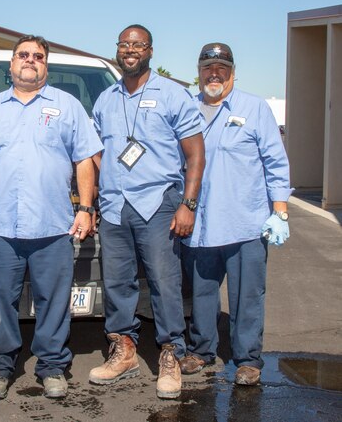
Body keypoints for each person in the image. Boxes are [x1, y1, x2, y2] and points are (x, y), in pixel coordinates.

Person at [0, 35, 102, 400]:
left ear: (46, 66)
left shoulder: (68, 107)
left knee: (54, 301)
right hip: (0, 226)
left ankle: (52, 366)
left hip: (53, 226)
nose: (30, 60)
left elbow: (84, 160)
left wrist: (85, 208)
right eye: (23, 55)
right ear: (11, 65)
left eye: (38, 56)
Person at [89, 24, 205, 399]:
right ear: (117, 51)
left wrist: (187, 205)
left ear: (150, 51)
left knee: (163, 281)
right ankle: (124, 350)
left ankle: (171, 353)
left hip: (157, 203)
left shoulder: (173, 94)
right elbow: (95, 155)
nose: (130, 50)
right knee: (117, 282)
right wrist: (90, 202)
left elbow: (195, 155)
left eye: (138, 44)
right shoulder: (105, 98)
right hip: (114, 205)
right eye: (124, 44)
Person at [180, 43, 292, 386]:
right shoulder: (187, 108)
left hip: (245, 222)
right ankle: (201, 350)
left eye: (221, 69)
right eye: (208, 68)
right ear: (199, 72)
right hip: (200, 224)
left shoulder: (254, 108)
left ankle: (247, 359)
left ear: (232, 72)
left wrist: (280, 211)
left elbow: (275, 161)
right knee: (201, 293)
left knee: (247, 296)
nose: (214, 74)